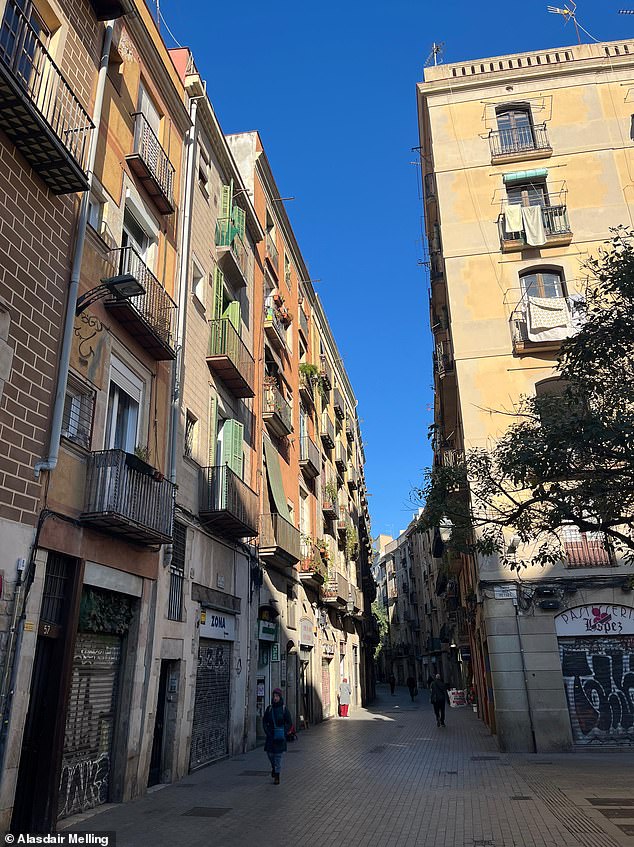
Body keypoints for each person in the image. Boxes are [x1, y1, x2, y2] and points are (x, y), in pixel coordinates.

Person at [263, 688, 293, 784]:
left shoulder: (284, 709)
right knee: (270, 754)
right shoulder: (269, 708)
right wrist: (267, 731)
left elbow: (289, 722)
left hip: (280, 737)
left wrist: (284, 731)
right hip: (271, 736)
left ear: (280, 697)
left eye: (277, 696)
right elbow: (264, 721)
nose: (275, 698)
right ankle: (274, 768)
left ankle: (277, 776)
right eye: (274, 696)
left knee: (278, 757)